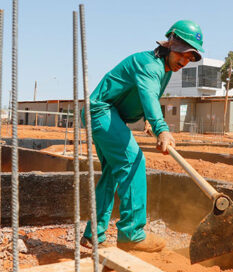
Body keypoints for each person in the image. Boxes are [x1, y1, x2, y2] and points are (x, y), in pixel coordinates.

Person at [80, 20, 204, 253]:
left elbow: (149, 97)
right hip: (100, 110)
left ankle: (92, 235)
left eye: (190, 58)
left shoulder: (165, 70)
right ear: (171, 44)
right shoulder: (149, 64)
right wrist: (161, 128)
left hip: (109, 113)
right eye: (183, 55)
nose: (184, 62)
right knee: (133, 160)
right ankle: (132, 234)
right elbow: (148, 94)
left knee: (112, 174)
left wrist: (148, 120)